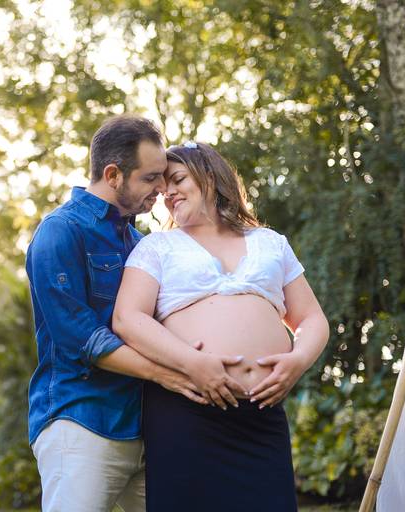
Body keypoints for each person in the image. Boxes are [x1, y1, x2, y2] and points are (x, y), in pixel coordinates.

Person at [25, 118, 247, 512]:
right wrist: (173, 373)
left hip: (149, 429)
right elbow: (81, 337)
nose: (162, 188)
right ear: (113, 175)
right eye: (150, 178)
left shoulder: (141, 243)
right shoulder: (60, 231)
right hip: (82, 422)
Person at [113, 141, 329, 511]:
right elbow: (127, 319)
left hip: (261, 417)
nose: (168, 193)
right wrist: (192, 363)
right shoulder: (156, 247)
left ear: (210, 177)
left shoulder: (270, 243)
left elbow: (311, 318)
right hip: (187, 411)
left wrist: (298, 361)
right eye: (163, 188)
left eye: (178, 180)